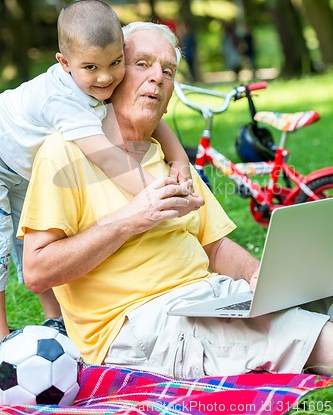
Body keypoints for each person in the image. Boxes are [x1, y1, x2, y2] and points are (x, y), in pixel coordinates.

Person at [20, 22, 333, 377]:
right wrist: (131, 218)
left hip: (212, 300)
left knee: (320, 300)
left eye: (168, 71)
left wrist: (256, 275)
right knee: (320, 338)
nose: (157, 77)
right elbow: (36, 272)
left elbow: (214, 247)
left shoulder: (171, 160)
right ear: (113, 77)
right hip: (141, 324)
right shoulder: (63, 153)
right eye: (142, 64)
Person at [0, 1, 191, 339]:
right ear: (64, 63)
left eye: (116, 63)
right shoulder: (62, 101)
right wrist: (158, 196)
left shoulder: (97, 77)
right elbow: (108, 158)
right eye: (91, 67)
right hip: (2, 161)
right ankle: (2, 337)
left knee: (34, 232)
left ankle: (54, 321)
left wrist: (179, 158)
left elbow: (154, 120)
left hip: (24, 163)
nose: (106, 78)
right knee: (1, 248)